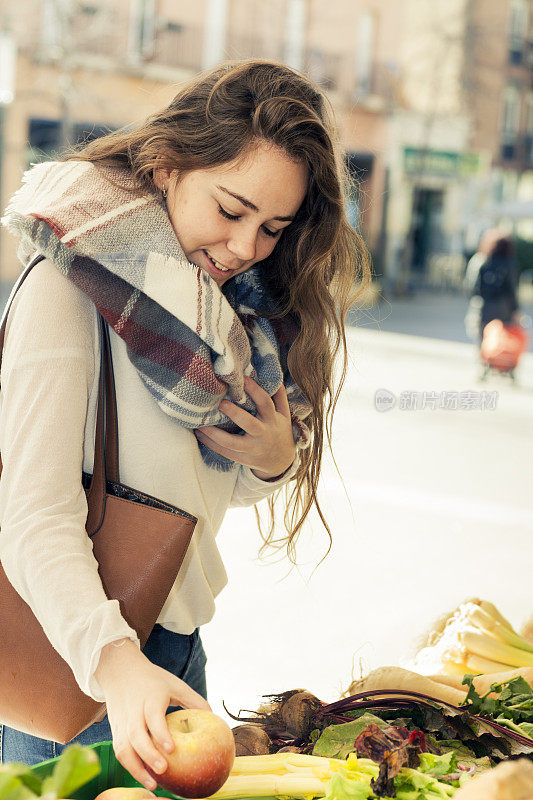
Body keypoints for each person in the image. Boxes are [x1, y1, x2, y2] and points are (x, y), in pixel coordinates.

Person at [0, 59, 370, 781]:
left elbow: (200, 489)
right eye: (231, 211)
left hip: (173, 642)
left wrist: (269, 457)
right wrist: (114, 665)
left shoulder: (220, 316)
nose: (245, 248)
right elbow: (33, 515)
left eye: (272, 227)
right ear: (165, 165)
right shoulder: (68, 286)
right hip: (78, 657)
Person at [466, 230, 520, 345]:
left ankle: (484, 358)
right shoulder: (510, 264)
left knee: (483, 341)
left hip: (484, 308)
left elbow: (473, 288)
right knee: (501, 341)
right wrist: (516, 310)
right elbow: (511, 290)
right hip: (504, 310)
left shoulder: (482, 262)